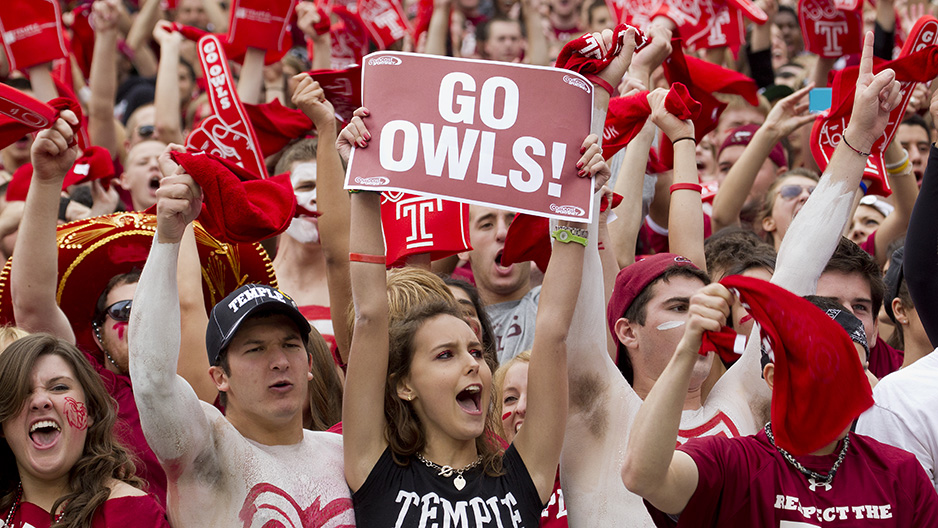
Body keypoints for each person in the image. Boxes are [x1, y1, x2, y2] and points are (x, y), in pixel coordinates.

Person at [339, 104, 601, 525]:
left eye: (476, 352)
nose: (472, 365)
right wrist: (363, 181)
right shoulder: (374, 468)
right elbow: (370, 315)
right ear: (403, 384)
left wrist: (575, 200)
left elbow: (552, 330)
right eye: (445, 355)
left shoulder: (525, 475)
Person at [128, 160, 354, 526]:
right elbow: (152, 381)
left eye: (291, 345)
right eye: (255, 349)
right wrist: (168, 238)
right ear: (219, 377)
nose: (279, 361)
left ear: (311, 364)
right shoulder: (207, 450)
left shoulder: (346, 455)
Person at [621, 280, 938, 527]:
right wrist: (689, 346)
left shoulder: (901, 472)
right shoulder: (732, 465)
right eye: (826, 370)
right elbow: (642, 475)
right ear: (774, 376)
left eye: (856, 372)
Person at [0, 334, 169, 528]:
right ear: (2, 424)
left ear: (91, 412)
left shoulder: (129, 512)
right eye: (22, 391)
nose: (40, 402)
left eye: (59, 387)